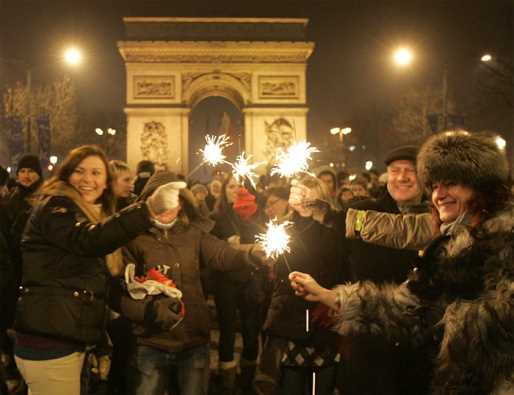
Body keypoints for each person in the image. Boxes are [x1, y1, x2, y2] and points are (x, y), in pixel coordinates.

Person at [290, 131, 514, 394]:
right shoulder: (452, 240)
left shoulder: (503, 241)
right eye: (435, 185)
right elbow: (408, 306)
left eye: (451, 182)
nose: (439, 194)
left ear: (481, 185)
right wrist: (329, 296)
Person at [12, 145, 182, 395]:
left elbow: (96, 283)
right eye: (79, 171)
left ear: (106, 183)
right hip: (49, 342)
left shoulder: (91, 216)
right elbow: (87, 241)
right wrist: (145, 210)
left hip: (67, 337)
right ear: (67, 175)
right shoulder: (56, 207)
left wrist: (143, 300)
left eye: (96, 173)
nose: (87, 179)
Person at [290, 144, 428, 394]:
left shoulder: (437, 217)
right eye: (395, 170)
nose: (402, 177)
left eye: (411, 170)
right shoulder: (363, 212)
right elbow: (328, 255)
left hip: (418, 344)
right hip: (365, 338)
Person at [120, 171, 264, 395]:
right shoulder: (134, 239)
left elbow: (221, 254)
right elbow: (123, 291)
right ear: (147, 202)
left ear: (182, 204)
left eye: (174, 199)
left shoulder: (194, 233)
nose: (167, 207)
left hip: (193, 340)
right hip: (151, 342)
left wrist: (251, 255)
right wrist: (148, 312)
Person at [254, 175, 348, 395]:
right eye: (296, 188)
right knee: (290, 384)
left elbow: (342, 269)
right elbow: (277, 275)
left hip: (323, 319)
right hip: (290, 320)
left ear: (319, 195)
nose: (300, 192)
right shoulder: (282, 229)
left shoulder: (335, 228)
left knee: (321, 384)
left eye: (306, 188)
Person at [210, 175, 266, 394]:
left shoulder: (256, 215)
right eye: (231, 186)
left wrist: (241, 247)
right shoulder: (216, 217)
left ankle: (248, 377)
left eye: (240, 186)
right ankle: (226, 379)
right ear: (223, 191)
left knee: (252, 329)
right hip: (225, 280)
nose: (236, 190)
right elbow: (215, 250)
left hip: (252, 279)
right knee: (227, 328)